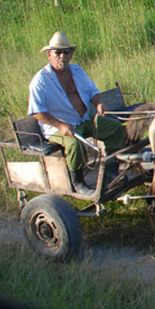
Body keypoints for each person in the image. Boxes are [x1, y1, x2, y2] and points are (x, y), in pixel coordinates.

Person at [28, 31, 125, 194]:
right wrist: (61, 125)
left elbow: (93, 91)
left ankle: (111, 170)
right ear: (48, 54)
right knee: (74, 143)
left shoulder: (78, 71)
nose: (62, 56)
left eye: (66, 52)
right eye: (57, 52)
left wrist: (99, 103)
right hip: (57, 127)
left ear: (71, 54)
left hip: (84, 120)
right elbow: (37, 112)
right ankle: (78, 181)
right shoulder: (40, 80)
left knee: (116, 128)